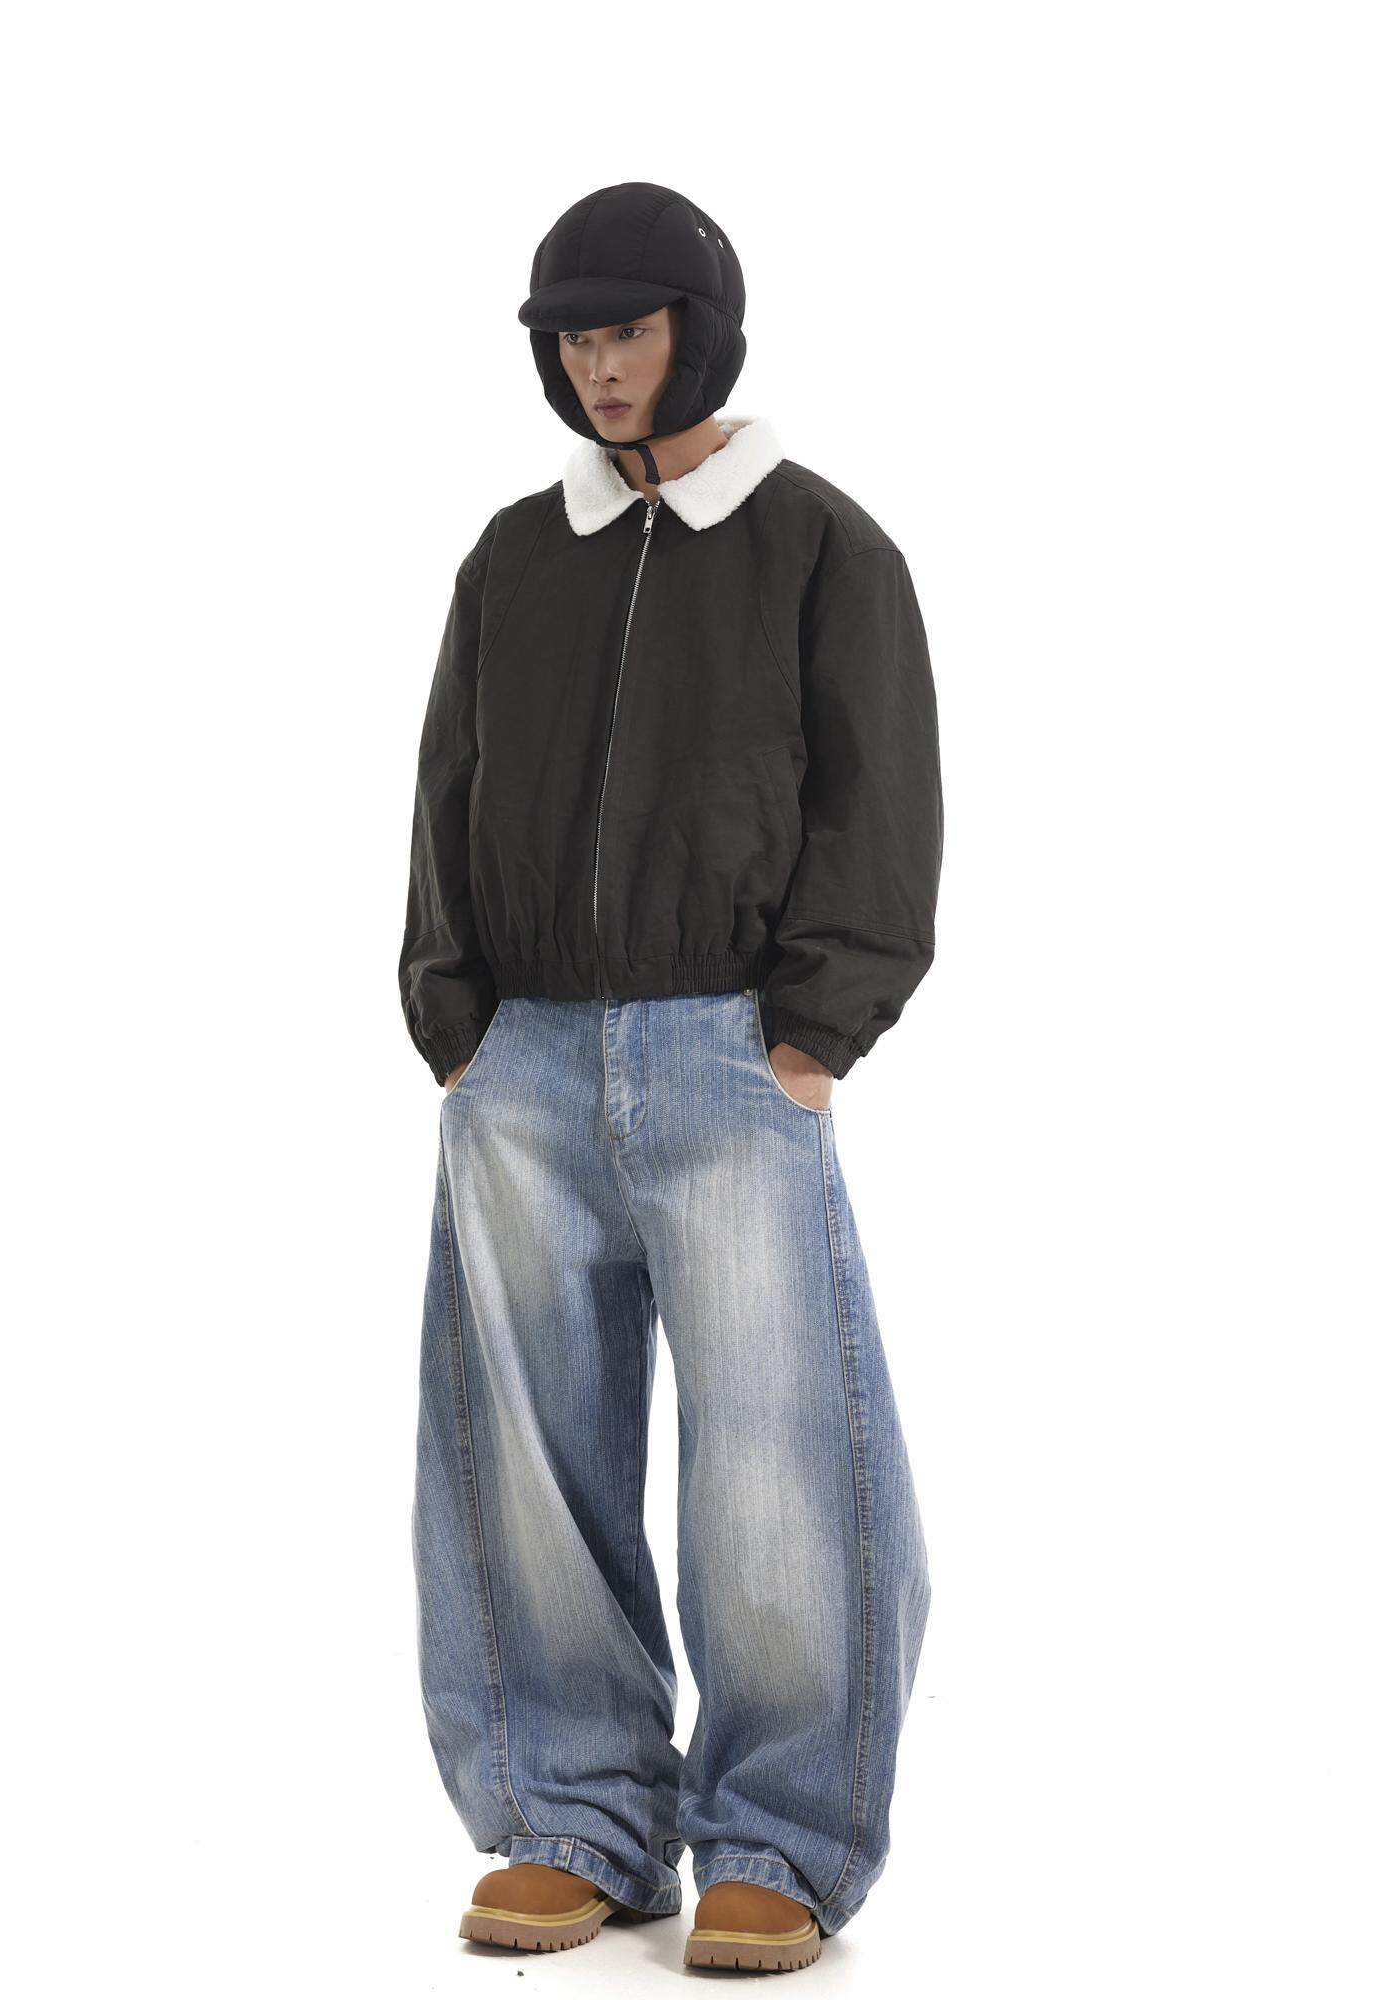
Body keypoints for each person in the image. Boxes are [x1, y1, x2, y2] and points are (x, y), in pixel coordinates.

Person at [398, 182, 943, 1975]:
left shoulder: (819, 548)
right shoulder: (516, 557)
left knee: (776, 1454)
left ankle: (782, 1832)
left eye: (628, 331)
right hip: (524, 1063)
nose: (601, 366)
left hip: (731, 1052)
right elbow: (448, 783)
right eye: (574, 339)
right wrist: (457, 1019)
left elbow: (882, 800)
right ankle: (576, 1813)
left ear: (697, 332)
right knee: (522, 1452)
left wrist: (814, 1032)